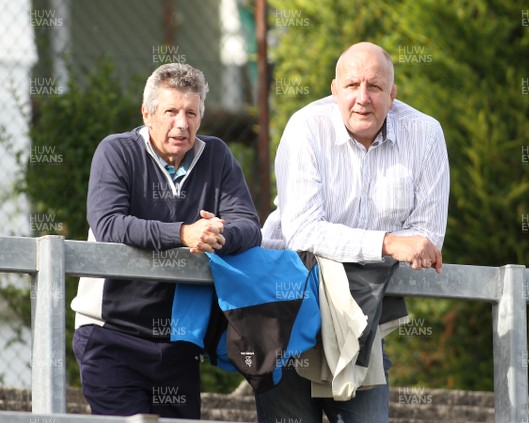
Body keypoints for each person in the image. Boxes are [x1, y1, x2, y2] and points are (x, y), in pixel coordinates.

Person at [258, 42, 450, 422]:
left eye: (375, 87)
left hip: (362, 317)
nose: (363, 98)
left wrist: (393, 245)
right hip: (288, 309)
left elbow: (427, 239)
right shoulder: (305, 128)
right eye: (352, 86)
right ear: (334, 91)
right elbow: (303, 231)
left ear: (392, 95)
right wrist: (388, 242)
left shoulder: (425, 135)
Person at [70, 62, 262, 418]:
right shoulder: (116, 151)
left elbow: (249, 226)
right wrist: (184, 233)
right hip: (111, 334)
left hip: (179, 340)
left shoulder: (217, 156)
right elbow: (109, 223)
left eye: (191, 112)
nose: (182, 123)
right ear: (147, 114)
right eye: (171, 111)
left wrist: (219, 233)